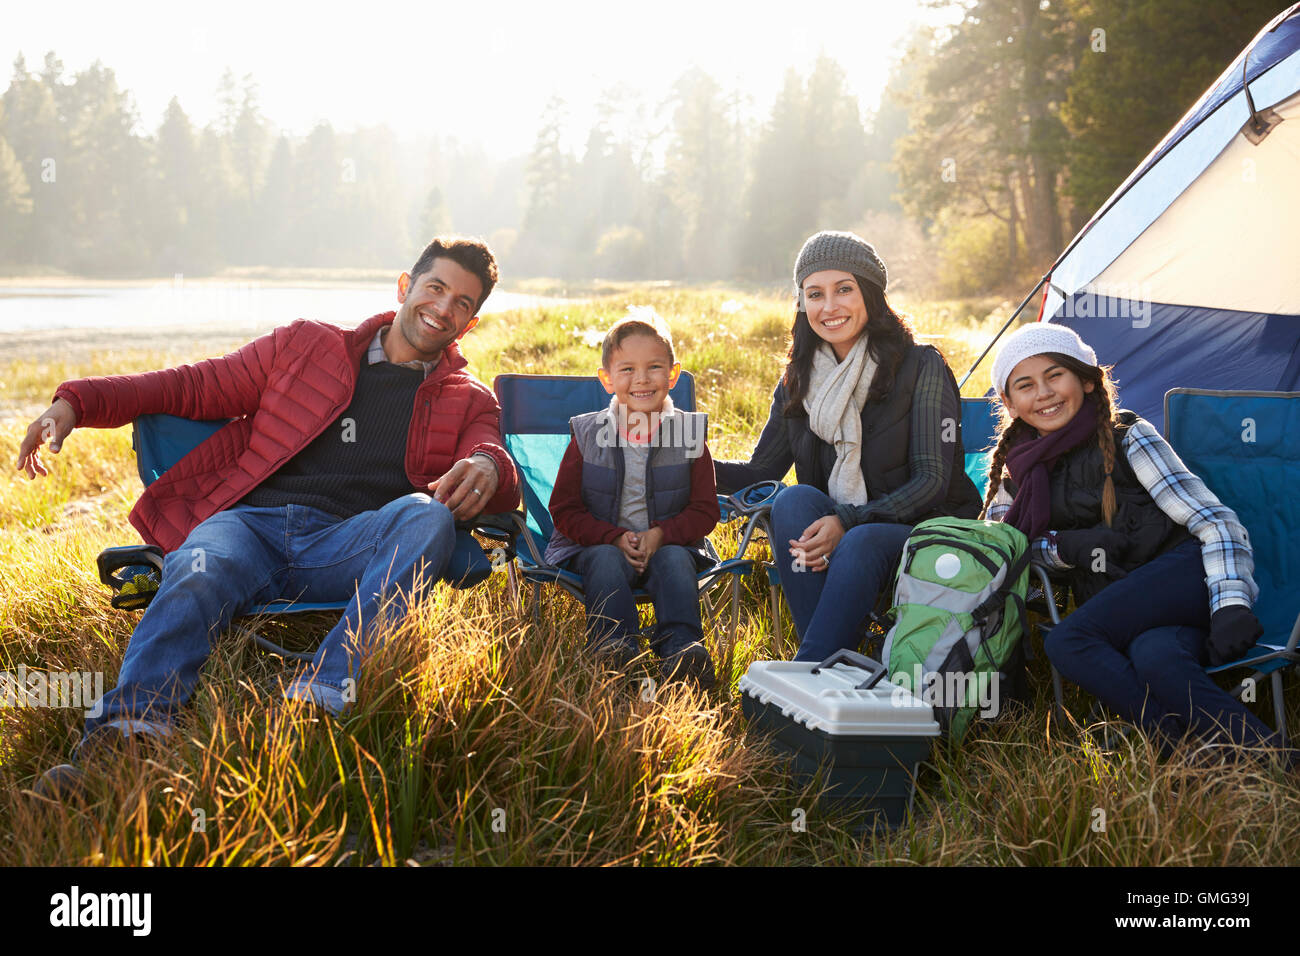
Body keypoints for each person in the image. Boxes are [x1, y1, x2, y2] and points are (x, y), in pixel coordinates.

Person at [17, 236, 520, 793]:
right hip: (249, 527)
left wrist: (488, 465)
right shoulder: (306, 345)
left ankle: (322, 700)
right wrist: (75, 403)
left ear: (470, 324)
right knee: (199, 563)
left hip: (348, 544)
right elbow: (191, 385)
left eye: (463, 304)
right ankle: (126, 736)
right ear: (406, 287)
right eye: (436, 288)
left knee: (427, 516)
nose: (444, 308)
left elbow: (491, 458)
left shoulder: (470, 397)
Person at [983, 322, 1286, 758]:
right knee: (1157, 657)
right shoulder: (1018, 470)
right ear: (1010, 404)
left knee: (1068, 641)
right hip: (1119, 604)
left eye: (1055, 375)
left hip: (1182, 576)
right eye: (1025, 385)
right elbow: (1005, 549)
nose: (1044, 393)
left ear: (1086, 380)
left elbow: (1214, 520)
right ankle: (1266, 758)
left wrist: (1231, 604)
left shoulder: (1128, 435)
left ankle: (1174, 750)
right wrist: (1064, 548)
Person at [714, 231, 981, 663]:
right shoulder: (799, 380)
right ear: (802, 304)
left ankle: (813, 667)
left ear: (870, 294)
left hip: (925, 530)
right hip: (843, 530)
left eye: (844, 289)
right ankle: (838, 662)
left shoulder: (921, 365)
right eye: (814, 294)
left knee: (861, 540)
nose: (829, 306)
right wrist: (681, 455)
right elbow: (758, 473)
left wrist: (848, 519)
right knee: (794, 500)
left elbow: (932, 482)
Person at [546, 309, 720, 686]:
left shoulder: (689, 434)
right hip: (597, 544)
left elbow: (705, 510)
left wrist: (661, 535)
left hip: (669, 542)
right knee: (607, 560)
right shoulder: (588, 434)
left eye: (654, 367)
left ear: (673, 375)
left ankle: (681, 648)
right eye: (627, 370)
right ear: (607, 380)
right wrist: (612, 536)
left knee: (675, 560)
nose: (641, 379)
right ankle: (614, 647)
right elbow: (563, 509)